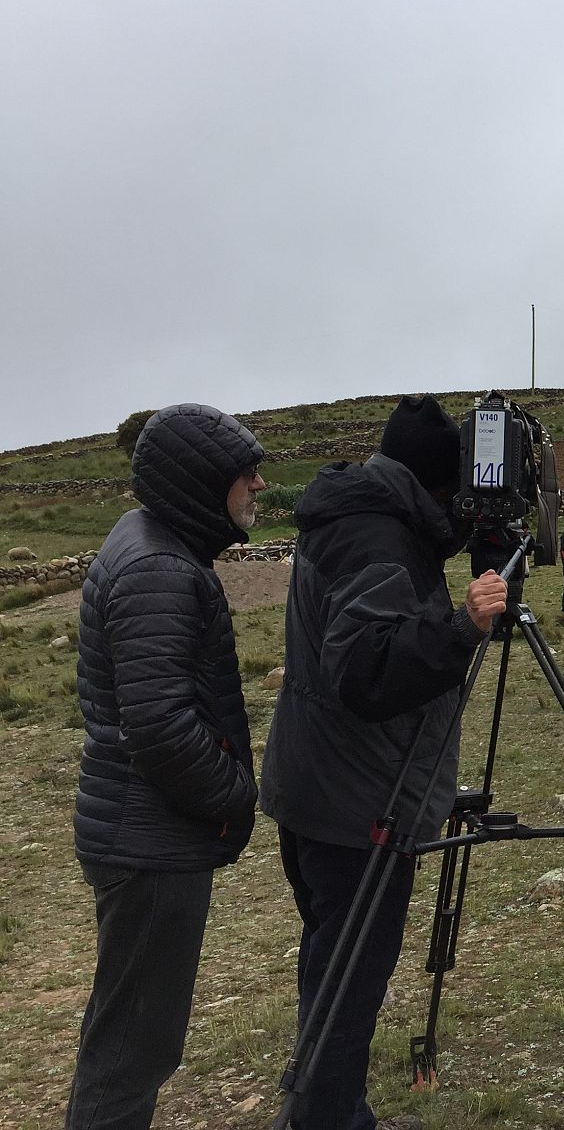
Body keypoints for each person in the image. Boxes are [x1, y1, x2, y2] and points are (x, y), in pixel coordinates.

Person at [259, 394, 508, 1130]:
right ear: (439, 487)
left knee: (331, 976)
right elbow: (366, 671)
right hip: (359, 806)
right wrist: (461, 624)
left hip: (321, 789)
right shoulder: (381, 540)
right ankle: (323, 1117)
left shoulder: (354, 517)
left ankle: (328, 1109)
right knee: (347, 991)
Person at [66, 404, 266, 1130]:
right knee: (131, 1051)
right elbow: (158, 726)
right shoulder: (158, 566)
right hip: (148, 844)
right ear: (198, 480)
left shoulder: (155, 545)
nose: (260, 484)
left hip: (139, 834)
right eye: (246, 473)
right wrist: (236, 796)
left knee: (126, 1036)